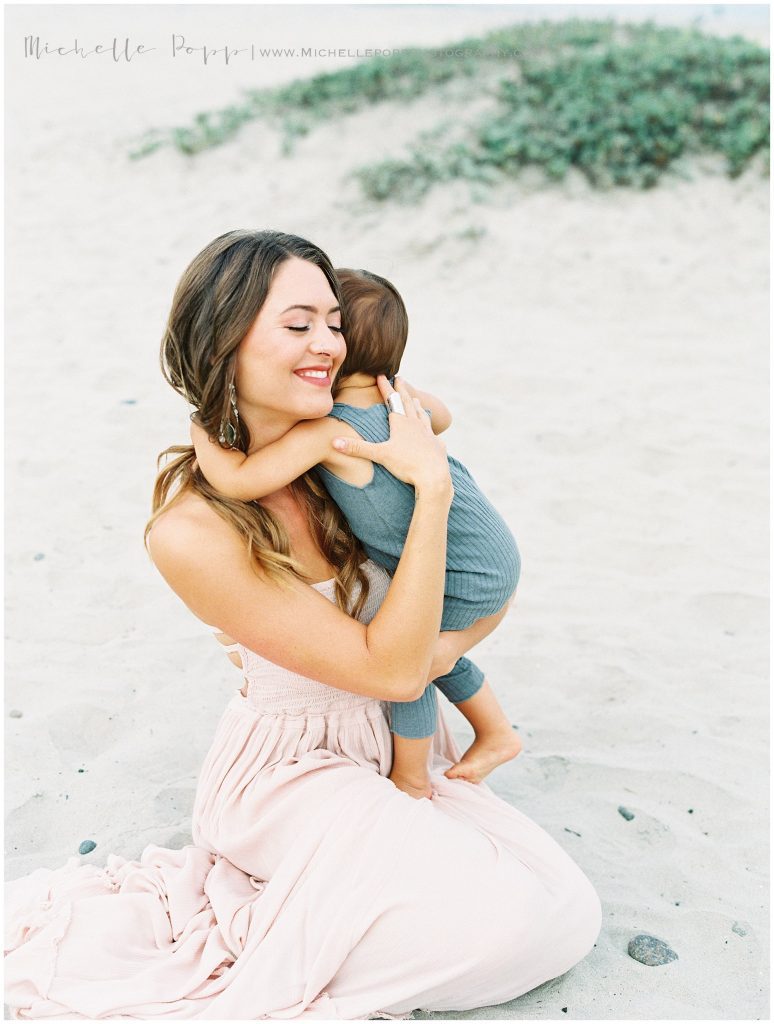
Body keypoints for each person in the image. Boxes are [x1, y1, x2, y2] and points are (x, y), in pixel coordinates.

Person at [4, 229, 602, 1020]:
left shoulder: (340, 460)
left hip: (386, 740)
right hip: (289, 775)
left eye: (333, 321)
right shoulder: (193, 530)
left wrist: (424, 515)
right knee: (510, 925)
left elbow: (472, 604)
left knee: (556, 901)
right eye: (297, 325)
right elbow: (394, 669)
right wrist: (431, 492)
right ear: (227, 341)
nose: (327, 343)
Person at [189, 266, 522, 801]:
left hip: (463, 565)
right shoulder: (401, 405)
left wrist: (201, 425)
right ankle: (497, 732)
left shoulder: (329, 431)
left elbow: (238, 480)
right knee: (439, 651)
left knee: (414, 665)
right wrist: (398, 392)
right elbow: (445, 415)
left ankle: (412, 776)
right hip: (489, 548)